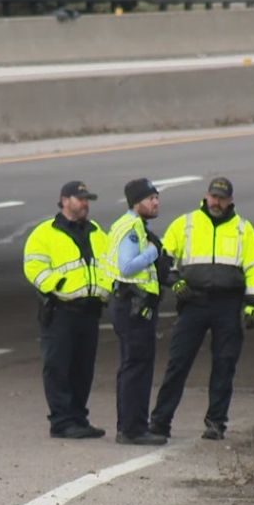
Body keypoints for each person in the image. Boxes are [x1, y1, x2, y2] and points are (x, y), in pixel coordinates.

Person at [150, 177, 254, 440]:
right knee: (178, 363)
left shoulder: (243, 229)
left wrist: (252, 304)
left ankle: (216, 422)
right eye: (213, 197)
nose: (216, 202)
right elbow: (164, 259)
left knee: (224, 364)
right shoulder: (186, 224)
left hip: (228, 304)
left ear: (230, 201)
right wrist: (174, 282)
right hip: (193, 303)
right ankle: (160, 421)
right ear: (206, 196)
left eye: (222, 198)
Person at [22, 181, 112, 439]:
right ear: (64, 200)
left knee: (83, 368)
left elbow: (107, 266)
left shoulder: (96, 232)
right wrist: (57, 286)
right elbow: (34, 268)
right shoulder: (45, 233)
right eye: (80, 199)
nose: (85, 204)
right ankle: (61, 421)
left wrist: (104, 291)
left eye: (87, 199)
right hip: (61, 310)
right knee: (59, 367)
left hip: (90, 310)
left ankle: (79, 418)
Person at [105, 178, 168, 445]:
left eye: (156, 197)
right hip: (132, 305)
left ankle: (132, 425)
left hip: (133, 304)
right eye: (151, 198)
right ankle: (132, 429)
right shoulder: (131, 227)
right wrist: (154, 252)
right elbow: (127, 266)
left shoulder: (135, 226)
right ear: (136, 202)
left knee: (136, 366)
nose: (156, 202)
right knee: (136, 367)